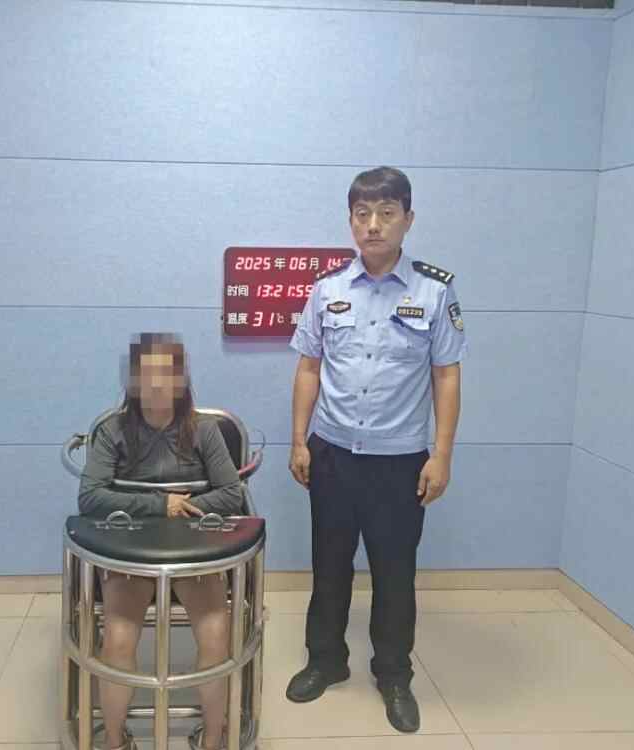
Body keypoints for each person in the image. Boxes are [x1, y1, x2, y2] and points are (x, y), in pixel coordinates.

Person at [285, 167, 467, 733]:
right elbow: (309, 367)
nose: (373, 225)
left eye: (387, 214)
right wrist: (298, 439)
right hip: (333, 452)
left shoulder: (434, 291)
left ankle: (393, 674)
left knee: (394, 573)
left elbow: (446, 375)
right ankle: (325, 661)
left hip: (399, 461)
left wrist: (442, 455)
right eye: (362, 214)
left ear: (407, 220)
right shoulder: (328, 289)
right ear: (351, 221)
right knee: (329, 565)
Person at [78, 333, 246, 750]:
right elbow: (90, 497)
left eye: (166, 374)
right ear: (133, 381)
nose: (156, 384)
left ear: (181, 381)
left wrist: (184, 508)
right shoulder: (114, 432)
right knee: (118, 640)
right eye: (146, 374)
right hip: (131, 555)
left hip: (193, 554)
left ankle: (212, 739)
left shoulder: (204, 431)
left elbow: (232, 494)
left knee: (215, 637)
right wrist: (161, 504)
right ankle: (116, 742)